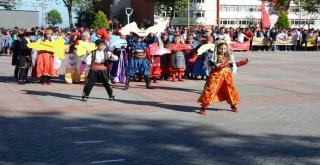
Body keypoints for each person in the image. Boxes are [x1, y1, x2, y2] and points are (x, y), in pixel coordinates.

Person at [197, 40, 249, 115]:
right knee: (211, 91)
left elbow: (233, 65)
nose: (223, 50)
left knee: (230, 91)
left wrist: (243, 62)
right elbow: (213, 66)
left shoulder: (228, 56)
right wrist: (225, 65)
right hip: (215, 78)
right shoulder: (212, 56)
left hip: (227, 77)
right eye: (221, 49)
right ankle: (203, 107)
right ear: (217, 48)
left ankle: (233, 105)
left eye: (225, 49)